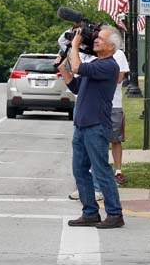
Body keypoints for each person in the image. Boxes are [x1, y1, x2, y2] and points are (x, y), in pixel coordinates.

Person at [57, 26, 124, 229]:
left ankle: (114, 214)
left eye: (100, 39)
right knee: (79, 170)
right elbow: (76, 85)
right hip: (81, 125)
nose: (95, 40)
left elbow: (78, 67)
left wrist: (76, 46)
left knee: (101, 170)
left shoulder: (109, 66)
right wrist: (63, 68)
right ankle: (90, 212)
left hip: (96, 126)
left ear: (111, 46)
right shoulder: (95, 63)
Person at [109, 46, 130, 185]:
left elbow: (119, 77)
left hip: (114, 104)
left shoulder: (118, 54)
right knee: (98, 141)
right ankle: (97, 172)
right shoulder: (92, 53)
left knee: (115, 140)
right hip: (96, 106)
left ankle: (118, 171)